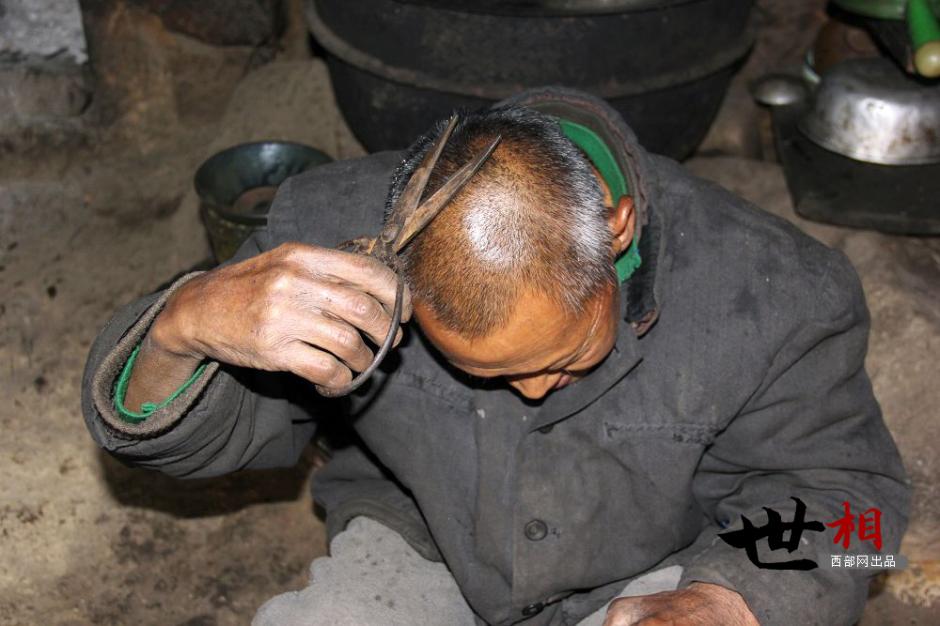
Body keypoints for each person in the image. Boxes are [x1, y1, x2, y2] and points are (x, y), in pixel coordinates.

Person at [81, 87, 910, 626]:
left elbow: (864, 511)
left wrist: (734, 598)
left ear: (616, 231)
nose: (536, 391)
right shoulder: (331, 242)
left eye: (564, 356)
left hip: (663, 572)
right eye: (485, 374)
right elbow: (171, 437)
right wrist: (178, 330)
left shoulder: (779, 291)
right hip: (423, 542)